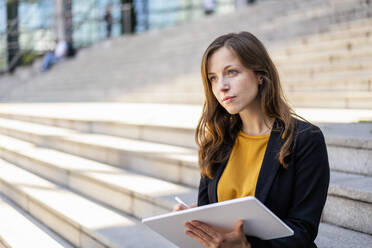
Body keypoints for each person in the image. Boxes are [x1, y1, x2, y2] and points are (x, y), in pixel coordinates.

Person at [174, 32, 330, 247]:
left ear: (260, 74)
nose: (222, 86)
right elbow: (211, 210)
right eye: (213, 78)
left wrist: (247, 246)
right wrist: (196, 220)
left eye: (232, 72)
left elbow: (303, 229)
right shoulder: (216, 143)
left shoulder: (305, 139)